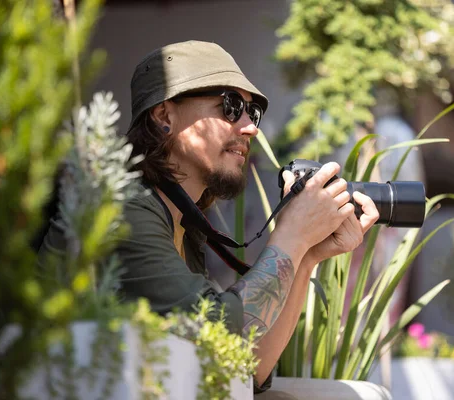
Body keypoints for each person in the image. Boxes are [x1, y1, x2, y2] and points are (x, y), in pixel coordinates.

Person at [39, 40, 379, 398]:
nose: (250, 128)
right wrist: (291, 236)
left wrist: (306, 254)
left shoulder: (182, 224)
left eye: (253, 113)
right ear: (165, 116)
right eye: (231, 107)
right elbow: (222, 328)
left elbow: (246, 370)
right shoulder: (121, 206)